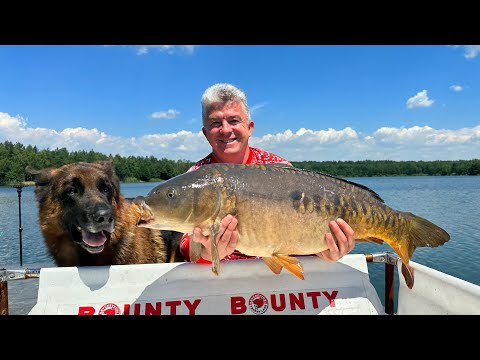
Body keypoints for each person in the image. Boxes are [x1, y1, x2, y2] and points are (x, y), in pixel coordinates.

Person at [180, 83, 356, 264]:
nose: (225, 130)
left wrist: (324, 251)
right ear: (205, 133)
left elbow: (303, 229)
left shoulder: (278, 168)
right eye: (215, 123)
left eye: (234, 121)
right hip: (220, 283)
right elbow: (185, 244)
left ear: (249, 127)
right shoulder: (195, 177)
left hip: (279, 283)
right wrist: (207, 253)